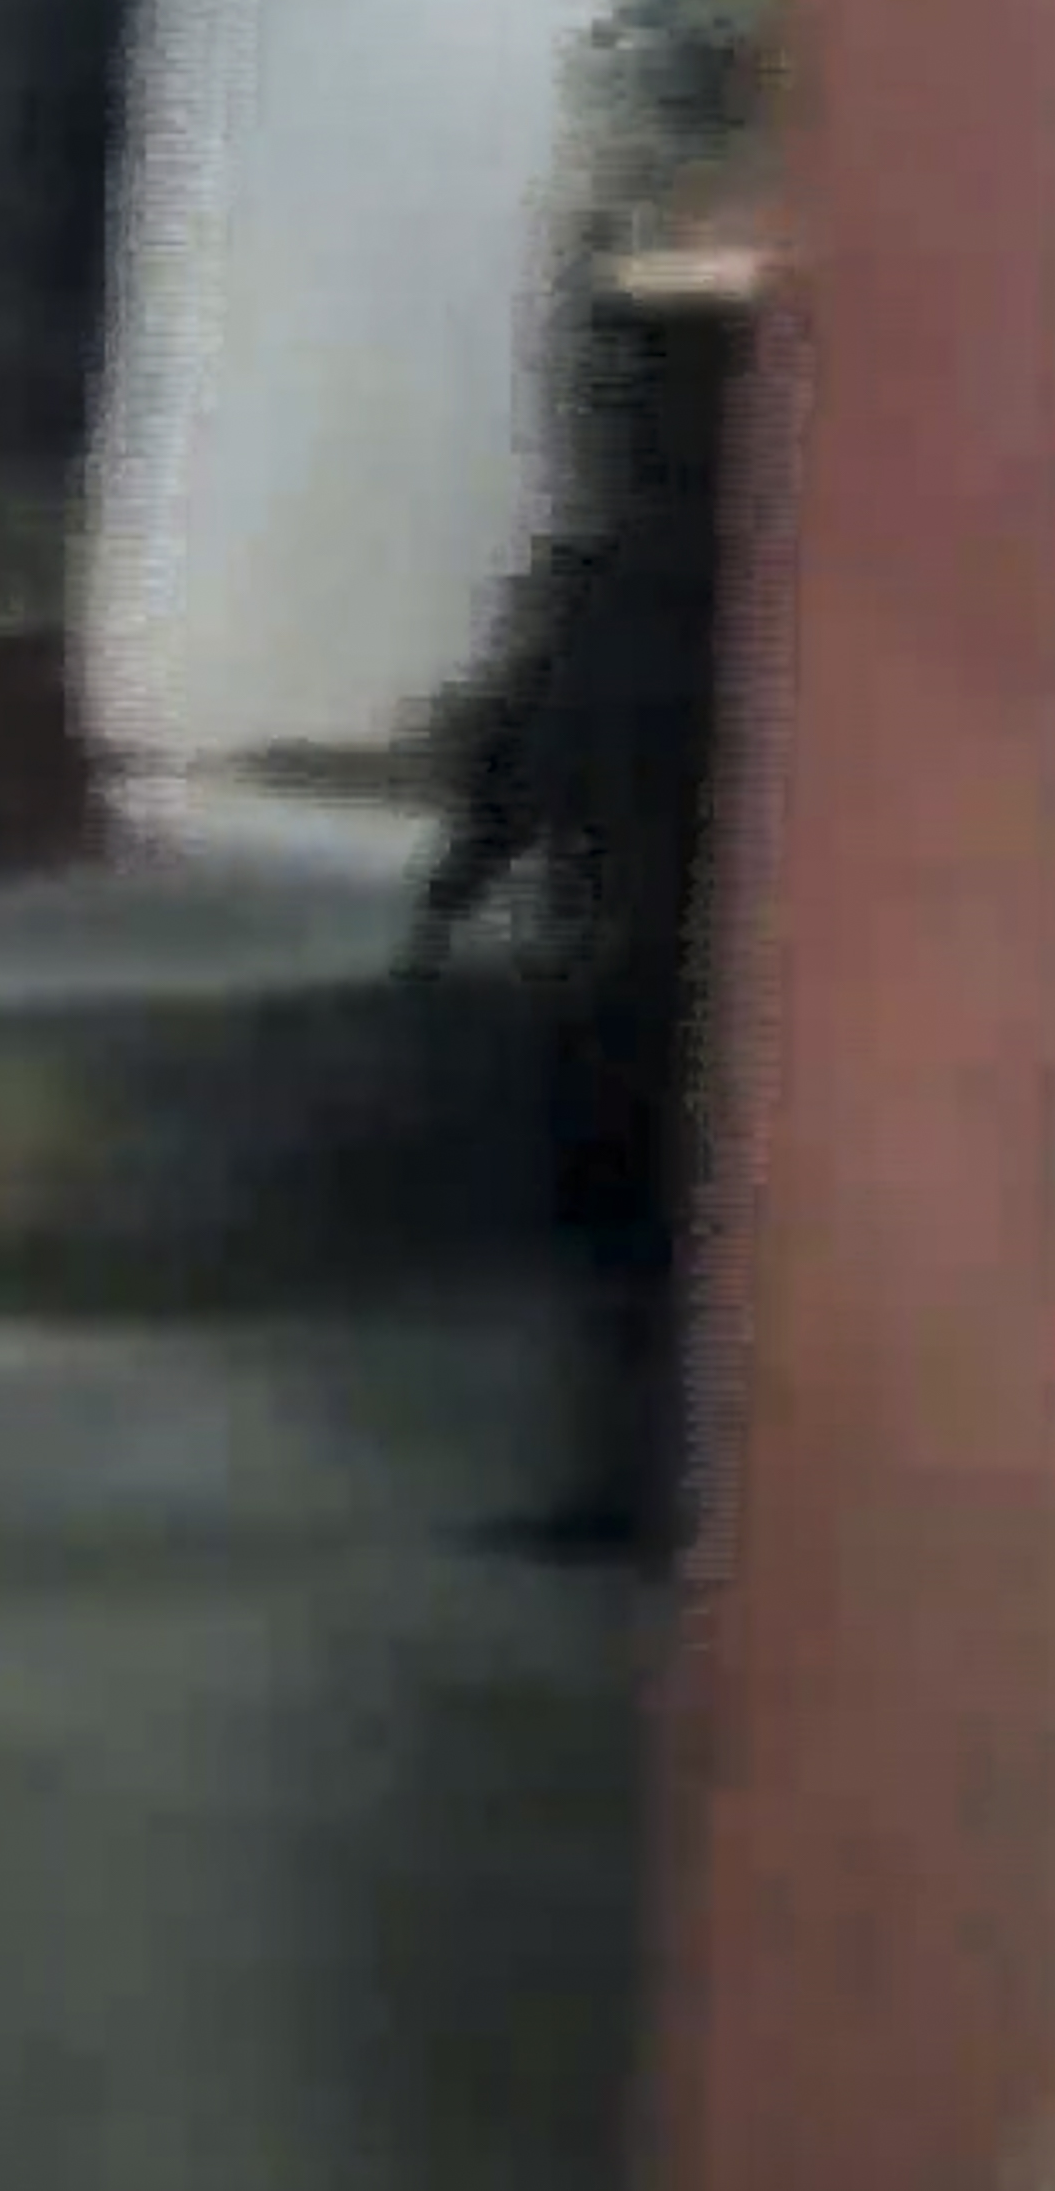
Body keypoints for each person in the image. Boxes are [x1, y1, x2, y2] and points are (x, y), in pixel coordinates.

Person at [406, 347, 727, 1564]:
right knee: (650, 1241)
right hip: (662, 944)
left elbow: (526, 748)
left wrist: (452, 898)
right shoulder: (742, 581)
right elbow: (528, 746)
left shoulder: (615, 580)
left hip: (630, 948)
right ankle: (653, 1479)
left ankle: (632, 1484)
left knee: (626, 1240)